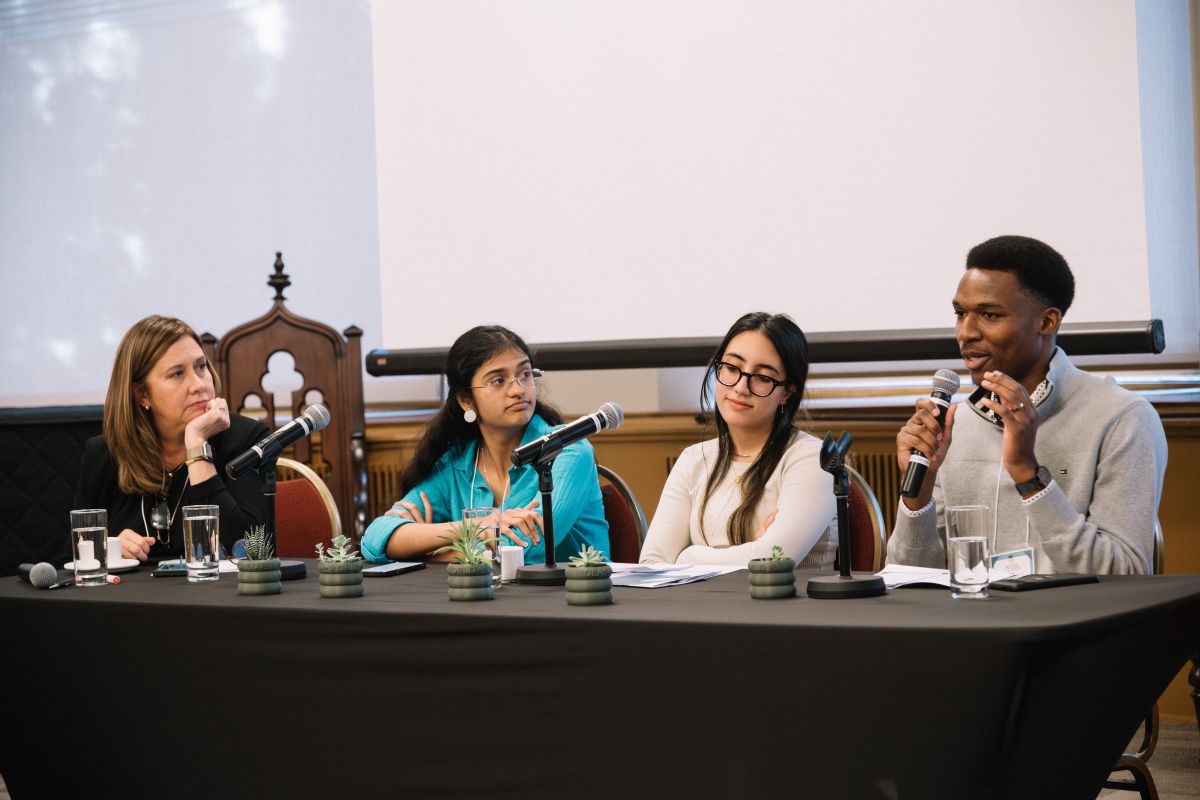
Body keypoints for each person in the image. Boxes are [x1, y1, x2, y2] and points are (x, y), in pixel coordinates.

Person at [887, 235, 1168, 574]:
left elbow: (1125, 575)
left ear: (1047, 322)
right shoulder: (954, 424)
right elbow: (911, 579)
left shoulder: (1122, 418)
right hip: (975, 624)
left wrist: (1029, 476)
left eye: (989, 315)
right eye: (960, 313)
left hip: (1073, 625)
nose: (966, 332)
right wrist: (919, 497)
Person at [361, 325, 609, 564]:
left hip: (575, 599)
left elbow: (524, 551)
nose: (518, 390)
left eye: (524, 374)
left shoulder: (569, 449)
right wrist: (476, 525)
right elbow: (375, 541)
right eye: (498, 380)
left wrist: (426, 551)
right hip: (486, 604)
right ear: (465, 400)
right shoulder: (456, 464)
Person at [640, 312, 837, 567]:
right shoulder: (694, 459)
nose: (741, 387)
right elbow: (652, 562)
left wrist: (688, 556)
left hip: (788, 606)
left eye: (763, 377)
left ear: (787, 391)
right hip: (701, 606)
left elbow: (773, 561)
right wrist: (749, 552)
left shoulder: (813, 458)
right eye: (732, 368)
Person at [74, 315, 269, 562]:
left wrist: (197, 444)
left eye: (201, 366)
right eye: (177, 374)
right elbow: (77, 549)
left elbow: (248, 548)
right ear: (142, 394)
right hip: (131, 598)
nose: (199, 384)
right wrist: (110, 548)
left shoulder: (244, 439)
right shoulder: (104, 453)